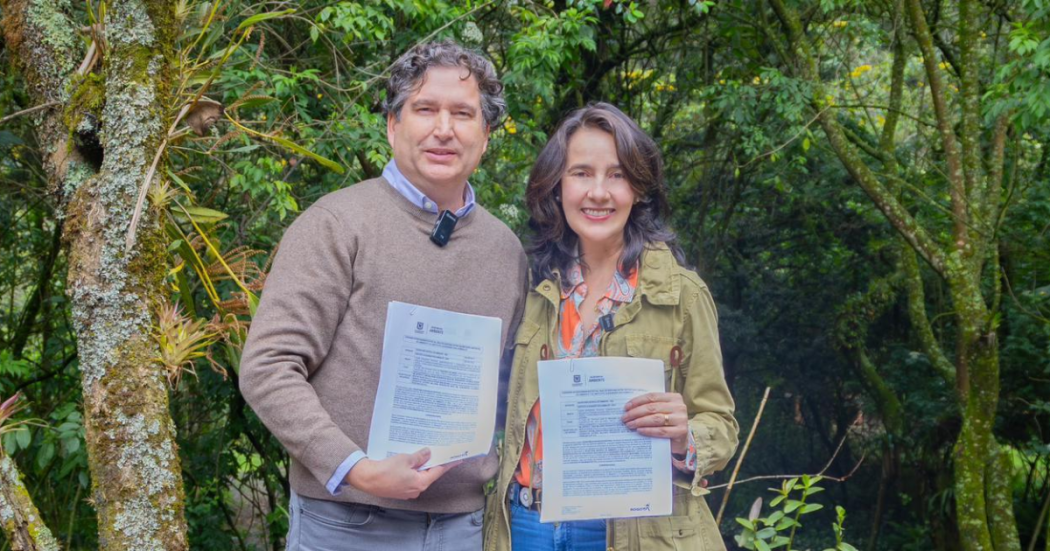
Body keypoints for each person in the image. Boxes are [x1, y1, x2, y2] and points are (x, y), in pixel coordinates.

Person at [239, 40, 527, 551]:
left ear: (485, 137)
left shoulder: (506, 252)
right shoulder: (336, 225)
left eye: (463, 113)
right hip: (348, 522)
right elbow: (268, 366)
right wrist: (359, 469)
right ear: (393, 126)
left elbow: (511, 387)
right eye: (425, 109)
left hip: (464, 527)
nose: (444, 128)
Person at [483, 103, 739, 551]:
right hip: (525, 526)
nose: (598, 192)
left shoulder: (682, 295)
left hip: (632, 532)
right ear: (557, 186)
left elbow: (720, 423)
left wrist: (685, 435)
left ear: (639, 188)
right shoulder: (529, 286)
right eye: (581, 173)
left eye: (617, 175)